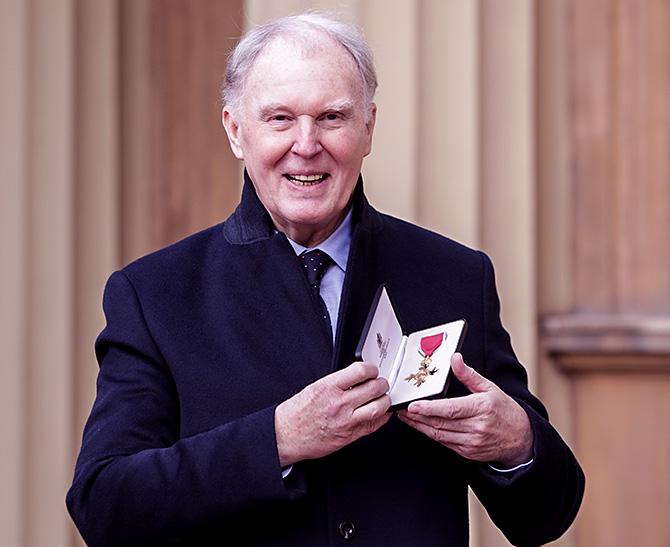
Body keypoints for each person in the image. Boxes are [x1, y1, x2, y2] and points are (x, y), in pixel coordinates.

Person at [67, 12, 584, 546]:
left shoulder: (454, 276)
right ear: (235, 131)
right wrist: (278, 440)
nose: (307, 144)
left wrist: (516, 444)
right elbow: (105, 505)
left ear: (368, 129)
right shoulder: (155, 295)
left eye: (332, 117)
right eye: (280, 119)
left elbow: (546, 516)